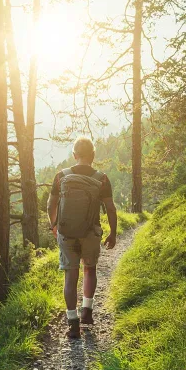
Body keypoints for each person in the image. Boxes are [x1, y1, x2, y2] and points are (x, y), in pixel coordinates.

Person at [47, 137, 118, 339]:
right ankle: (87, 311)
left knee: (70, 276)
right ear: (93, 156)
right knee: (89, 268)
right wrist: (113, 232)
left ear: (74, 155)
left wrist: (54, 225)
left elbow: (50, 205)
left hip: (66, 233)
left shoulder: (61, 176)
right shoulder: (101, 178)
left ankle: (73, 323)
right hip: (90, 232)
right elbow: (110, 208)